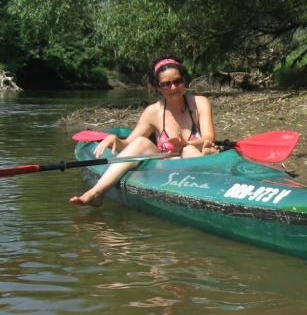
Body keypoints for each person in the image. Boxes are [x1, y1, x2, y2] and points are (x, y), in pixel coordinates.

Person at [69, 57, 218, 207]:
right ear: (158, 87)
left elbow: (209, 137)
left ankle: (208, 172)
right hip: (166, 164)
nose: (173, 87)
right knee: (141, 142)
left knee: (188, 150)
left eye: (177, 81)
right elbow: (129, 145)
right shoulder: (152, 112)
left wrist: (185, 144)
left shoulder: (199, 103)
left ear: (184, 81)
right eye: (166, 84)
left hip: (193, 159)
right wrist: (115, 140)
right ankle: (97, 192)